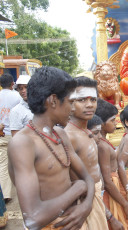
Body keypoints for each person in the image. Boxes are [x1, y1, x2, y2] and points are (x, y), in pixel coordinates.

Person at [7, 66, 94, 229]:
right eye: (70, 102)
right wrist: (77, 189)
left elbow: (87, 179)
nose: (73, 108)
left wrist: (86, 206)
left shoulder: (60, 134)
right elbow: (33, 219)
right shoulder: (23, 144)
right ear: (53, 100)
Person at [64, 76, 110, 229]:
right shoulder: (69, 136)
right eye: (82, 100)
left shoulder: (86, 132)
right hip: (82, 203)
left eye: (93, 99)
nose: (89, 105)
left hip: (95, 198)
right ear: (70, 101)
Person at [95, 98, 128, 230]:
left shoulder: (103, 141)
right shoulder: (102, 146)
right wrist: (125, 204)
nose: (115, 123)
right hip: (111, 190)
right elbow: (107, 181)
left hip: (115, 187)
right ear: (101, 124)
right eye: (112, 120)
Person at [0, 73, 21, 202]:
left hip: (1, 134)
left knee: (3, 163)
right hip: (15, 134)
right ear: (12, 84)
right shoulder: (17, 96)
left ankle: (6, 193)